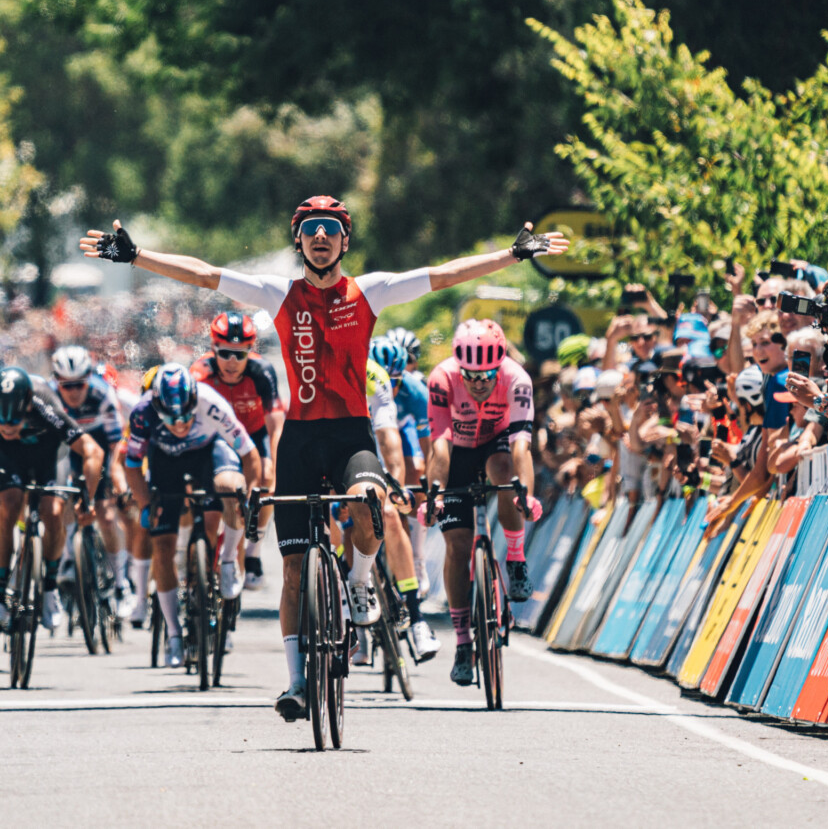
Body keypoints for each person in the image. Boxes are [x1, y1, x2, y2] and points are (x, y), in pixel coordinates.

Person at [81, 196, 566, 719]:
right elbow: (204, 275)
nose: (320, 237)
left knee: (369, 501)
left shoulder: (370, 290)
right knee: (292, 570)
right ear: (298, 240)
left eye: (330, 229)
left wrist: (512, 255)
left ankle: (359, 583)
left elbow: (445, 275)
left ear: (344, 240)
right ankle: (294, 682)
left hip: (351, 435)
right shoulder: (277, 293)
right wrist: (135, 257)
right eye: (310, 228)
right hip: (300, 437)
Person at [121, 364, 263, 667]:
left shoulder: (211, 403)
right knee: (162, 546)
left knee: (230, 489)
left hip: (208, 454)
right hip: (165, 462)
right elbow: (131, 465)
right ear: (156, 406)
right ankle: (174, 635)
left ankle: (227, 563)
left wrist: (247, 499)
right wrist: (147, 505)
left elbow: (250, 455)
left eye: (186, 415)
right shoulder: (143, 412)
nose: (181, 423)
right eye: (171, 418)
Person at [423, 319, 539, 685]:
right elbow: (439, 444)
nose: (477, 383)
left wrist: (527, 495)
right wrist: (435, 494)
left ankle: (516, 560)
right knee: (457, 547)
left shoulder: (517, 379)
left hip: (497, 444)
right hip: (456, 452)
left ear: (499, 365)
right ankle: (462, 642)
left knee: (506, 475)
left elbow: (522, 444)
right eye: (469, 375)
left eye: (486, 374)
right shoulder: (442, 379)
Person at [0, 366, 105, 635]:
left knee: (53, 512)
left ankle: (50, 588)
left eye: (15, 421)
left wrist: (87, 499)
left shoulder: (43, 404)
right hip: (10, 459)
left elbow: (93, 451)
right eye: (1, 421)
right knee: (7, 507)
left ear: (27, 405)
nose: (7, 427)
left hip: (49, 457)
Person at [189, 312, 285, 591]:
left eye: (240, 355)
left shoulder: (262, 372)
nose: (232, 362)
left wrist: (275, 469)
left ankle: (252, 552)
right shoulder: (200, 372)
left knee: (267, 477)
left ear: (250, 352)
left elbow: (276, 426)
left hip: (253, 436)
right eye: (226, 353)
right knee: (208, 518)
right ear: (214, 349)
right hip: (216, 440)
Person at [369, 335, 440, 660]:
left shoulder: (415, 392)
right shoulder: (362, 386)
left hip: (404, 441)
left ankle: (418, 560)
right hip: (371, 440)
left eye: (395, 381)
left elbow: (428, 447)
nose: (390, 387)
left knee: (417, 468)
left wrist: (428, 490)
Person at [50, 345, 131, 597]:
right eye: (67, 385)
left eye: (79, 384)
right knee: (60, 501)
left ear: (89, 379)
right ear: (56, 382)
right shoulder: (48, 396)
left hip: (100, 447)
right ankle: (67, 557)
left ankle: (121, 583)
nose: (73, 391)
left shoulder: (102, 393)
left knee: (106, 516)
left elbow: (115, 444)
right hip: (66, 450)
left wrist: (118, 482)